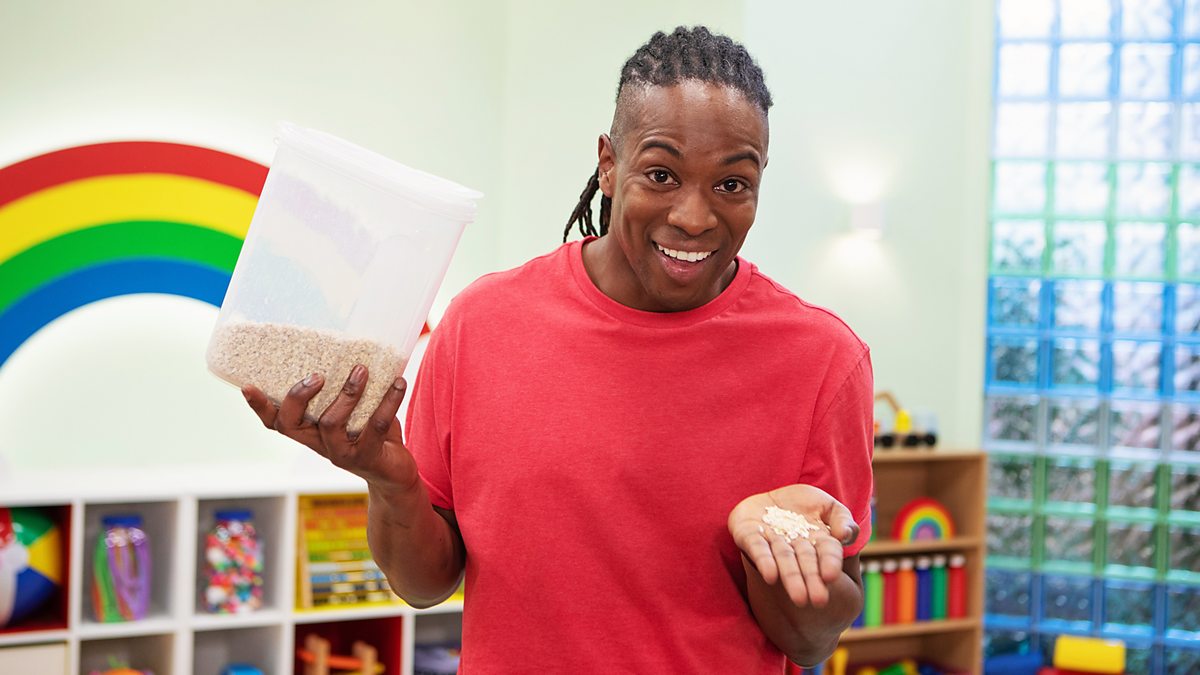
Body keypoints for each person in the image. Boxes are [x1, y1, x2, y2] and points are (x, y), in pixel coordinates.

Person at [242, 25, 873, 673]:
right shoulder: (481, 325)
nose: (694, 216)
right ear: (608, 164)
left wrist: (776, 557)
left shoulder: (824, 360)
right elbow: (424, 584)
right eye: (661, 174)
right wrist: (391, 483)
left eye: (732, 184)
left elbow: (812, 642)